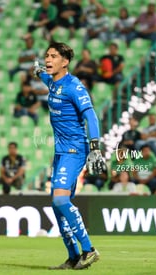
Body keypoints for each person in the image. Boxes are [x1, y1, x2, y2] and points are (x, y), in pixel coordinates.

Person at [33, 42, 106, 269]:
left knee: (60, 200)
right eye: (46, 55)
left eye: (53, 56)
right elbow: (43, 76)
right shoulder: (52, 82)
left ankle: (89, 249)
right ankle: (74, 256)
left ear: (65, 62)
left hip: (75, 150)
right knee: (57, 205)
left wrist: (95, 147)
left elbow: (91, 116)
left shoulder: (74, 86)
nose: (48, 59)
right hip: (60, 152)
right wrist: (37, 71)